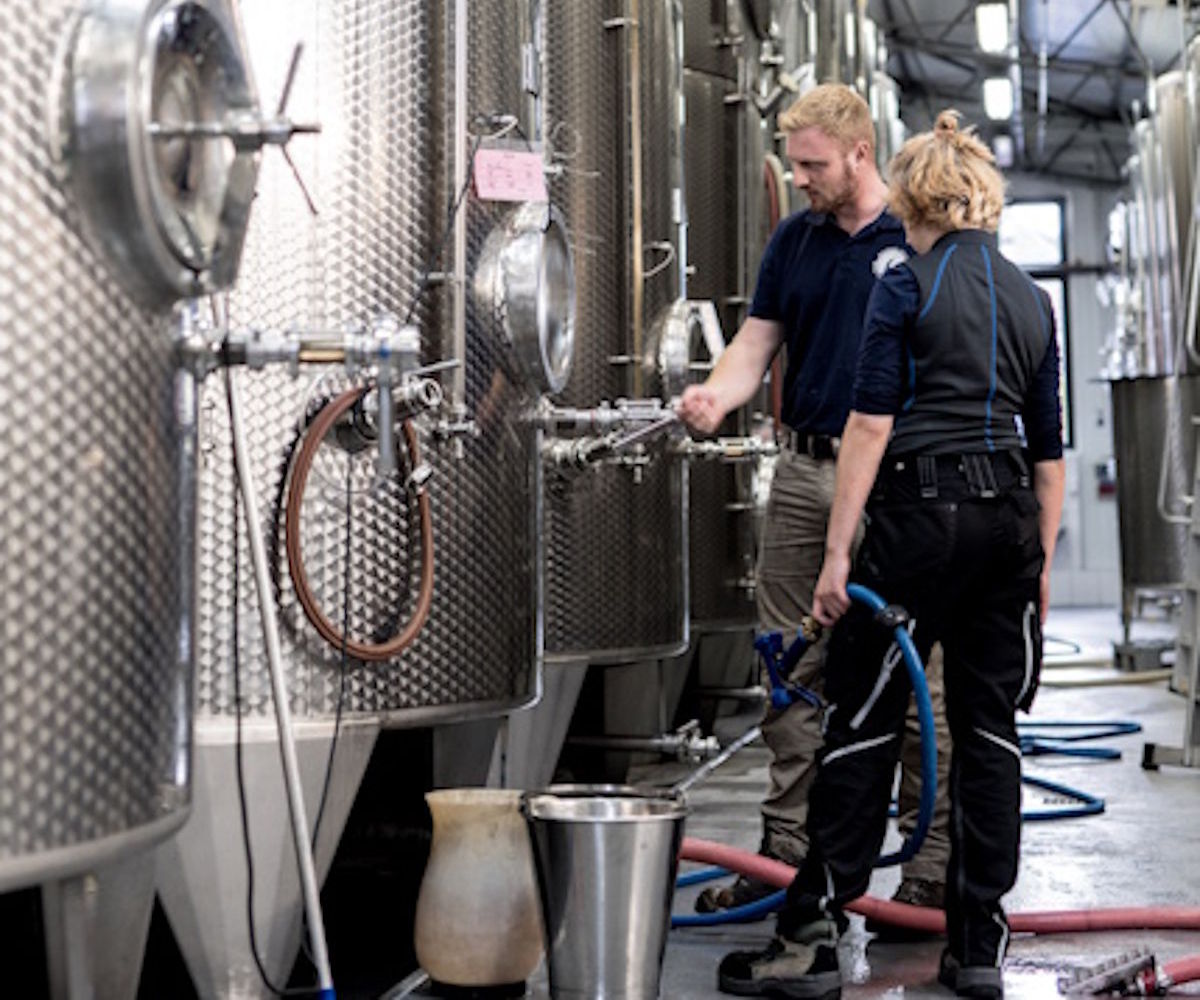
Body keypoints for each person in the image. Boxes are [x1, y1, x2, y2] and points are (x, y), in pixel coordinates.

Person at [716, 109, 1066, 1000]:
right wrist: (1041, 573)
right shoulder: (1035, 299)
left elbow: (871, 425)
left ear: (914, 201)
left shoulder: (903, 283)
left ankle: (812, 939)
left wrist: (838, 561)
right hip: (1009, 529)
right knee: (989, 735)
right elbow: (1050, 459)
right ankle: (976, 946)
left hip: (919, 520)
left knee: (860, 720)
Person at [676, 83, 951, 921]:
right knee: (790, 667)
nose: (796, 178)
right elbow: (756, 343)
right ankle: (783, 857)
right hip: (804, 477)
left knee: (917, 671)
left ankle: (931, 864)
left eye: (811, 165)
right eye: (794, 163)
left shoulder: (916, 236)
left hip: (899, 482)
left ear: (859, 155)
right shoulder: (793, 242)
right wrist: (715, 398)